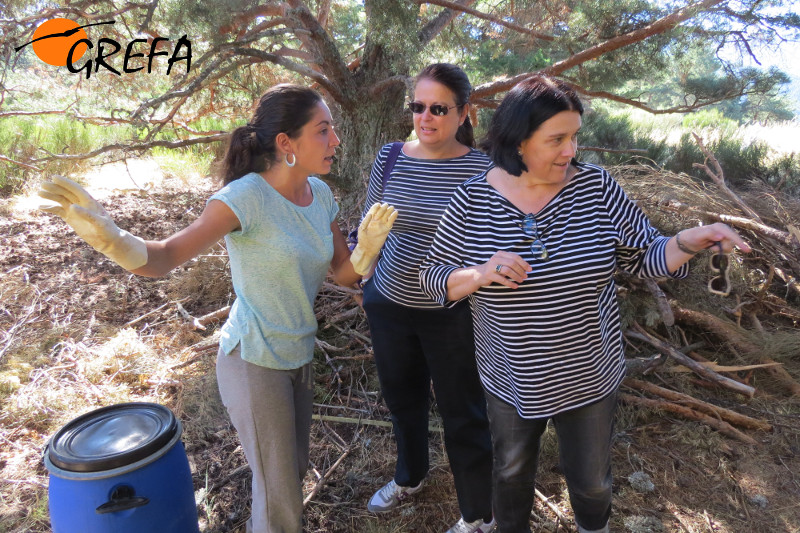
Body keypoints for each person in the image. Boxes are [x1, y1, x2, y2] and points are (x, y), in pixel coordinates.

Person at [37, 84, 397, 533]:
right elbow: (166, 256)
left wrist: (364, 252)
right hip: (253, 358)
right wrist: (112, 237)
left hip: (298, 352)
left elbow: (342, 274)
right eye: (323, 131)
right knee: (281, 490)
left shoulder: (320, 196)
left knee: (289, 473)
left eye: (333, 131)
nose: (335, 140)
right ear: (286, 143)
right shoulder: (245, 197)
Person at [418, 75, 751, 533]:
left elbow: (648, 258)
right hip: (512, 376)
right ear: (517, 142)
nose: (570, 150)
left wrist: (687, 242)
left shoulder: (597, 188)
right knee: (511, 473)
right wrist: (478, 274)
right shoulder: (471, 200)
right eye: (556, 139)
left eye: (574, 137)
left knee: (592, 482)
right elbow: (433, 279)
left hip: (589, 373)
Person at [360, 63, 495, 533]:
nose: (426, 117)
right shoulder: (391, 156)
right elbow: (370, 226)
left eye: (439, 108)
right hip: (389, 305)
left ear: (464, 113)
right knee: (402, 401)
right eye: (418, 106)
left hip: (452, 312)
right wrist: (368, 285)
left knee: (463, 413)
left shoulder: (483, 170)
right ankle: (410, 476)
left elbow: (490, 240)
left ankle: (477, 513)